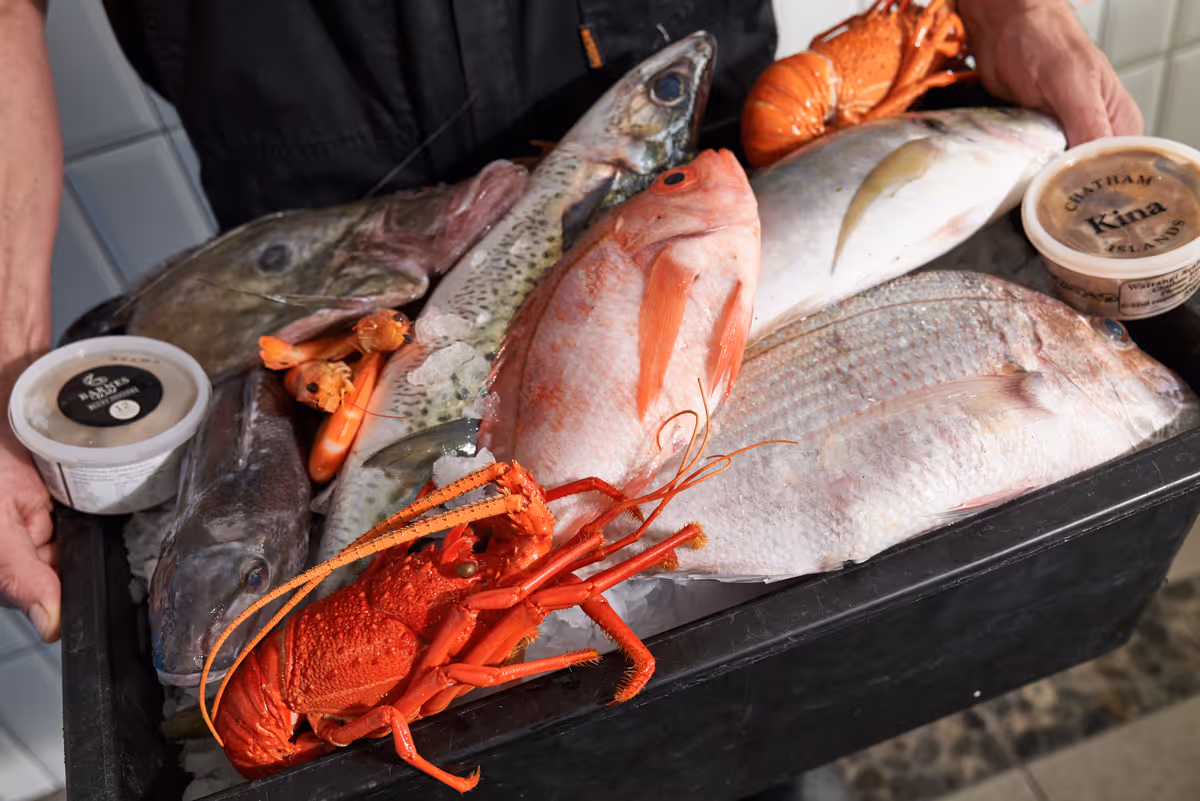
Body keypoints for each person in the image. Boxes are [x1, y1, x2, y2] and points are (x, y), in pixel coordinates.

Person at [0, 0, 1143, 643]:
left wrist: (1009, 7)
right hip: (341, 259)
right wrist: (7, 346)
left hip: (691, 151)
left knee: (746, 650)